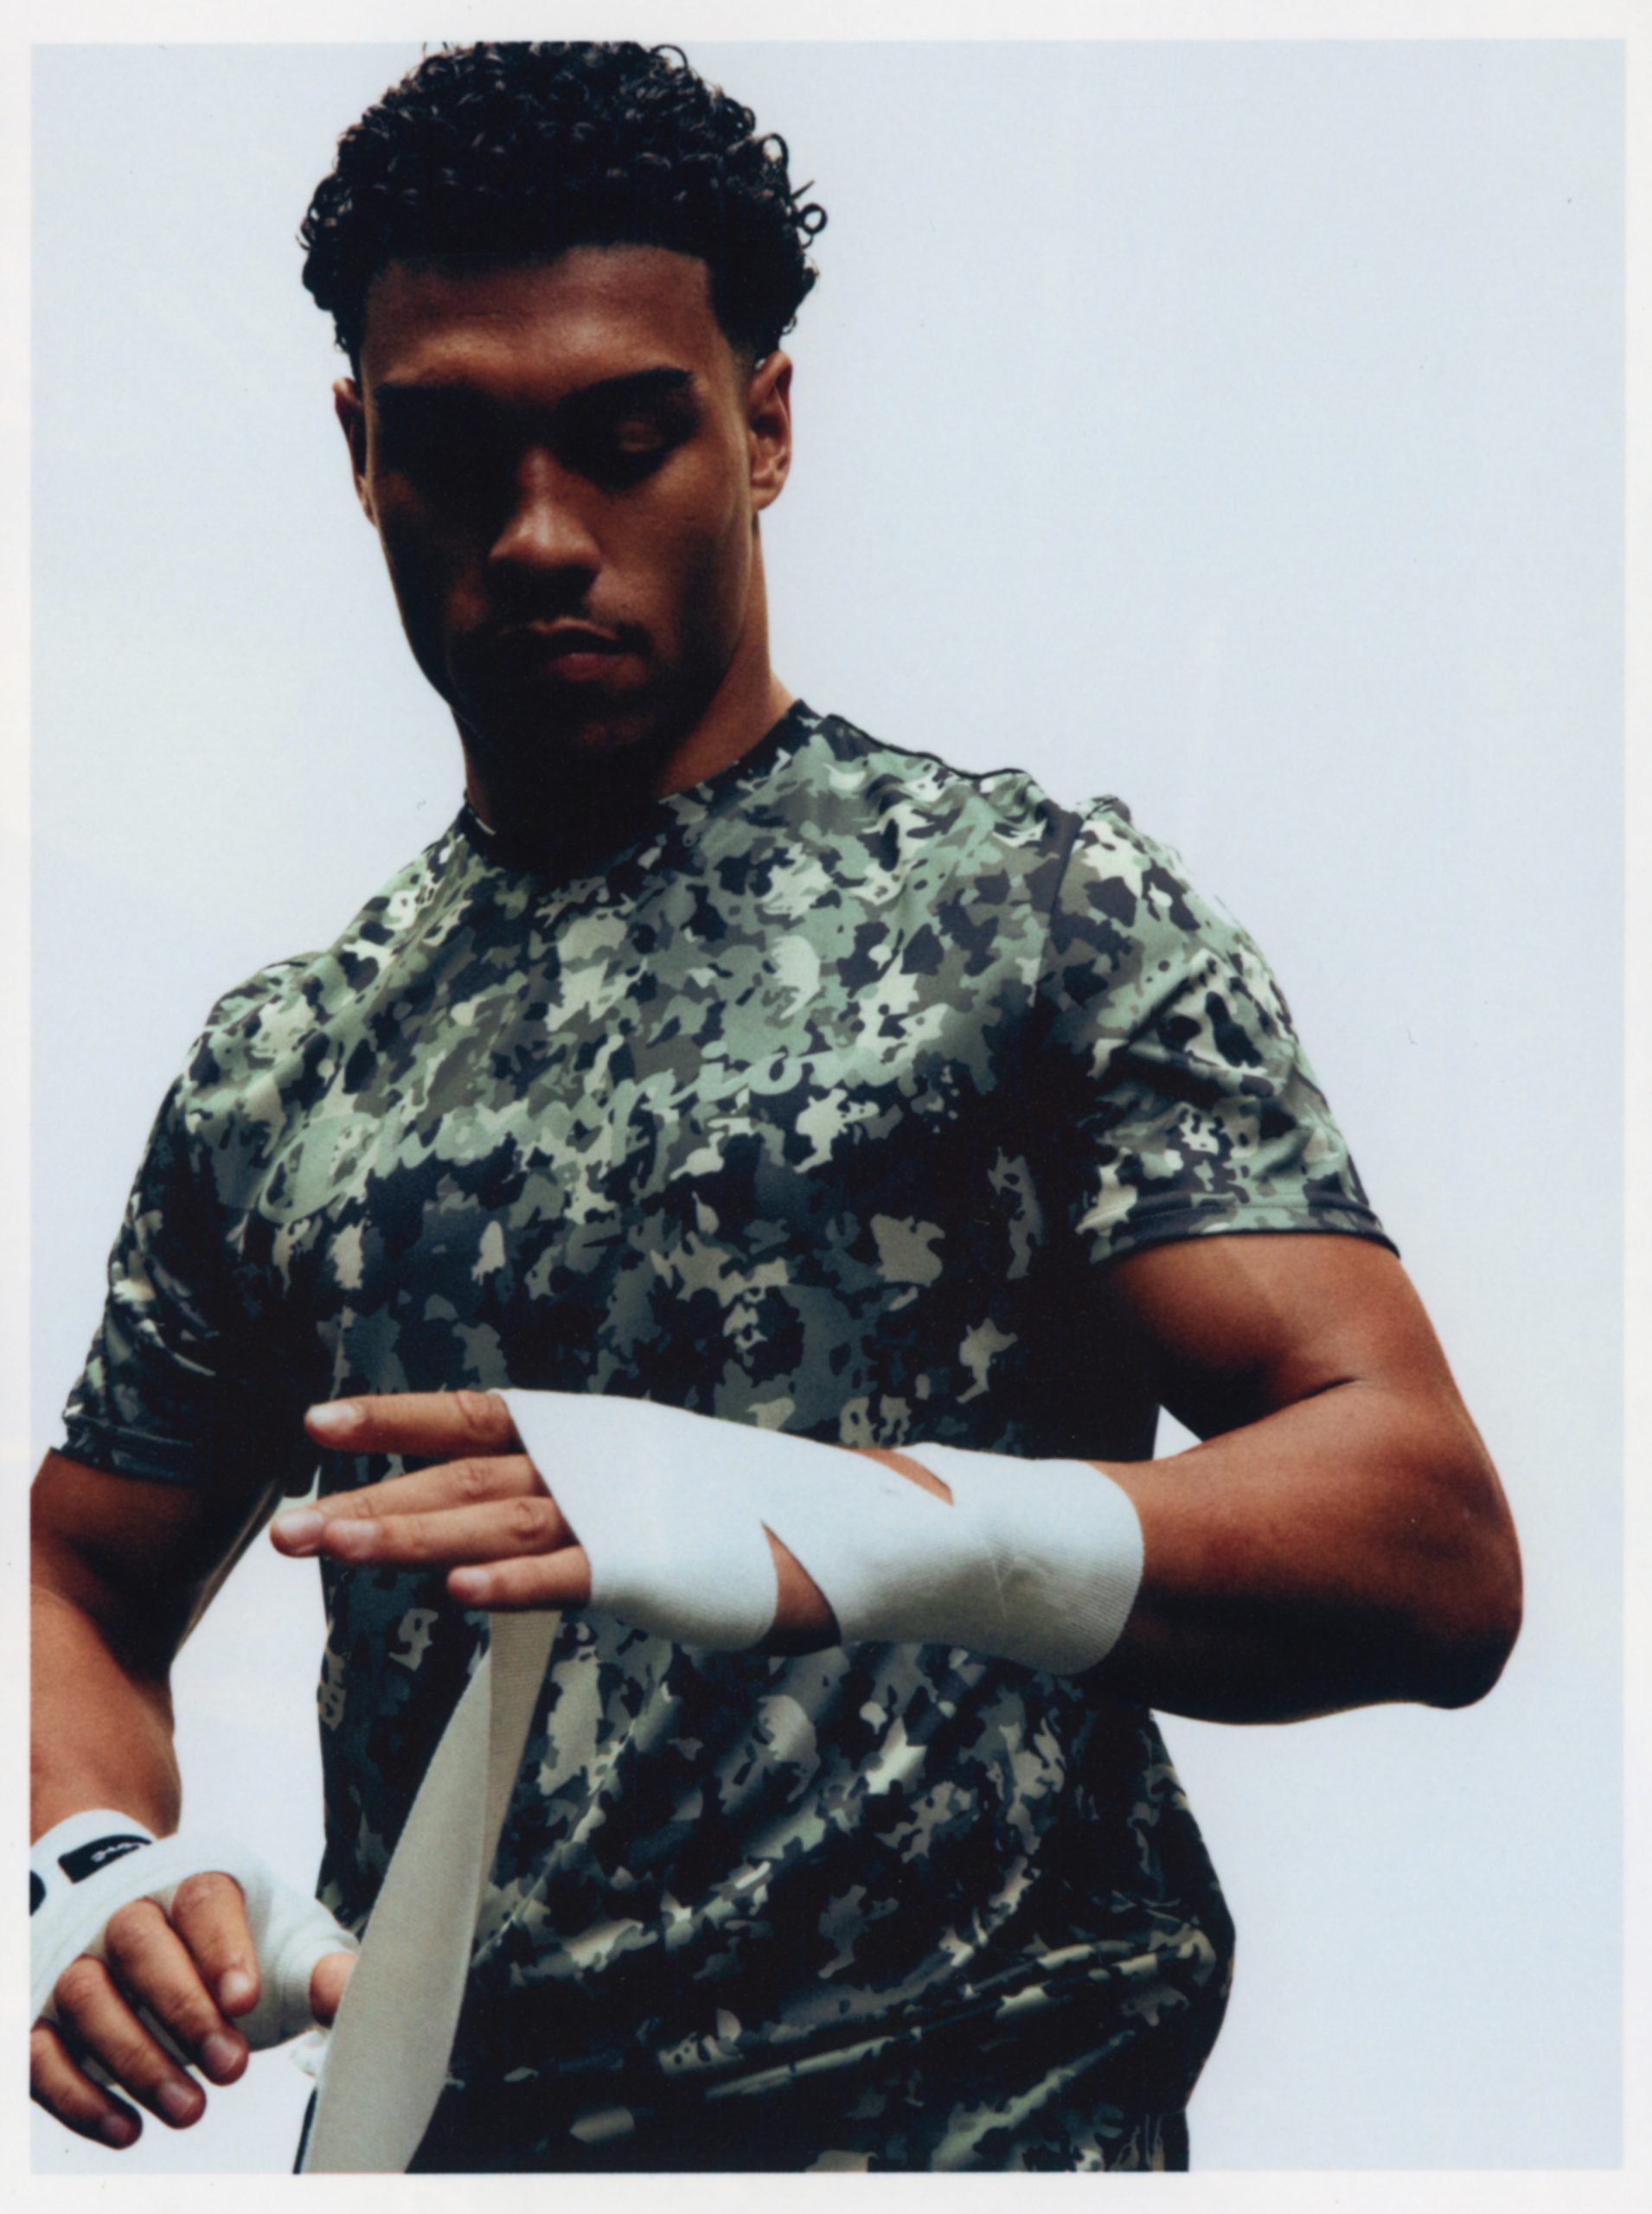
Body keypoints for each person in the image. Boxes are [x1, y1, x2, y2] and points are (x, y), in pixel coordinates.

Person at [29, 40, 1523, 2174]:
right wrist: (84, 1861)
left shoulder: (1025, 918)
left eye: (627, 436)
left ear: (766, 424)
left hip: (975, 2127)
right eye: (452, 450)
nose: (540, 534)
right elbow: (80, 1574)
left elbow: (1427, 1540)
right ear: (359, 453)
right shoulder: (289, 1065)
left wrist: (853, 1519)